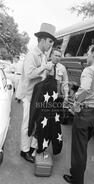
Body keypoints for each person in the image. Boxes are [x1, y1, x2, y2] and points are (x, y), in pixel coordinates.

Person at [63, 44, 94, 184]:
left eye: (87, 52)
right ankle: (78, 173)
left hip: (85, 113)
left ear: (93, 54)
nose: (86, 55)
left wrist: (76, 103)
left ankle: (77, 179)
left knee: (79, 148)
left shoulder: (89, 70)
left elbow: (85, 88)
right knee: (83, 145)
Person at [19, 23, 56, 163]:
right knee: (27, 124)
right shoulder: (32, 55)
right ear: (42, 39)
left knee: (34, 124)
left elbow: (42, 76)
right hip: (29, 96)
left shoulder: (43, 56)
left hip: (37, 96)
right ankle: (24, 151)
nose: (51, 45)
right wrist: (43, 68)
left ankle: (30, 148)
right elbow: (29, 74)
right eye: (50, 41)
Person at [28, 47, 69, 154]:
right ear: (51, 55)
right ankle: (33, 149)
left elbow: (65, 83)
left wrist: (66, 96)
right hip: (44, 101)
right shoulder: (45, 66)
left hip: (56, 101)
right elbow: (39, 82)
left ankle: (45, 146)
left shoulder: (62, 69)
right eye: (55, 55)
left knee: (54, 124)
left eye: (59, 56)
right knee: (41, 124)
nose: (57, 57)